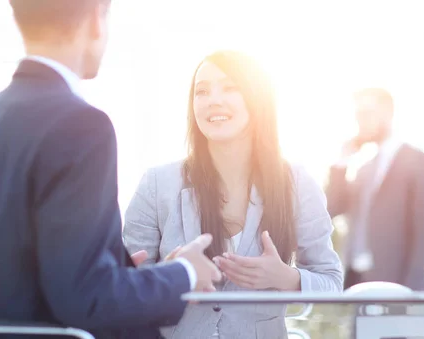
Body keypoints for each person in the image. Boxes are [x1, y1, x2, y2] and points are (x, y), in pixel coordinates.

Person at [0, 1, 221, 338]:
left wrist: (130, 278)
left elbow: (26, 274)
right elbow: (86, 297)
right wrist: (184, 274)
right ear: (94, 20)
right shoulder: (81, 126)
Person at [123, 50, 343, 339]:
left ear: (257, 98)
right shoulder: (157, 183)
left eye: (230, 88)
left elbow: (331, 281)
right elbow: (123, 287)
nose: (213, 99)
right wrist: (169, 276)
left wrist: (285, 277)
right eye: (201, 91)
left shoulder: (297, 182)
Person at [325, 88, 424, 291]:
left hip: (396, 286)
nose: (360, 122)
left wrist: (410, 295)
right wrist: (340, 163)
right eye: (357, 115)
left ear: (388, 113)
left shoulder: (421, 164)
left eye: (366, 114)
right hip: (355, 281)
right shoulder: (363, 168)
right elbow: (331, 209)